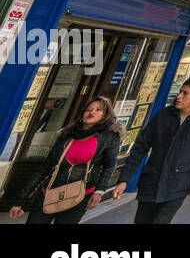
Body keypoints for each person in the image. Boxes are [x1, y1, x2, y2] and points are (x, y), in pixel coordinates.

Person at [111, 77, 190, 224]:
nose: (179, 96)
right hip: (151, 181)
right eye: (180, 92)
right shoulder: (163, 115)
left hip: (178, 183)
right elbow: (140, 147)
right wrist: (124, 180)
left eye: (185, 93)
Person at [9, 96, 122, 225]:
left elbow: (109, 165)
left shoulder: (109, 137)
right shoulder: (67, 135)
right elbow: (45, 168)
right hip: (51, 191)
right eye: (88, 109)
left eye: (98, 110)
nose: (92, 112)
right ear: (82, 114)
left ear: (105, 116)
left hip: (80, 195)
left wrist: (99, 191)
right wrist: (20, 201)